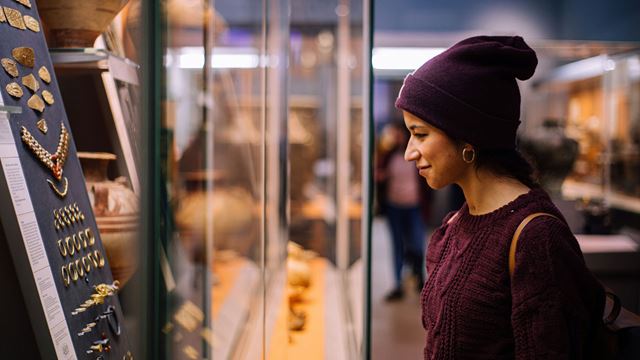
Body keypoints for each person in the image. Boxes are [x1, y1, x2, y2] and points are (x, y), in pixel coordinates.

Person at [395, 35, 605, 359]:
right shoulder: (457, 223)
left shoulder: (536, 238)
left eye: (420, 134)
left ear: (468, 136)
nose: (410, 152)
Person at [376, 121, 430, 301]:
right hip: (394, 206)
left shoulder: (417, 154)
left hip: (414, 206)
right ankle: (398, 284)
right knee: (397, 244)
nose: (396, 137)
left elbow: (427, 183)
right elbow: (380, 175)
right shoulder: (388, 156)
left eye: (399, 133)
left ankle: (419, 276)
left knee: (416, 243)